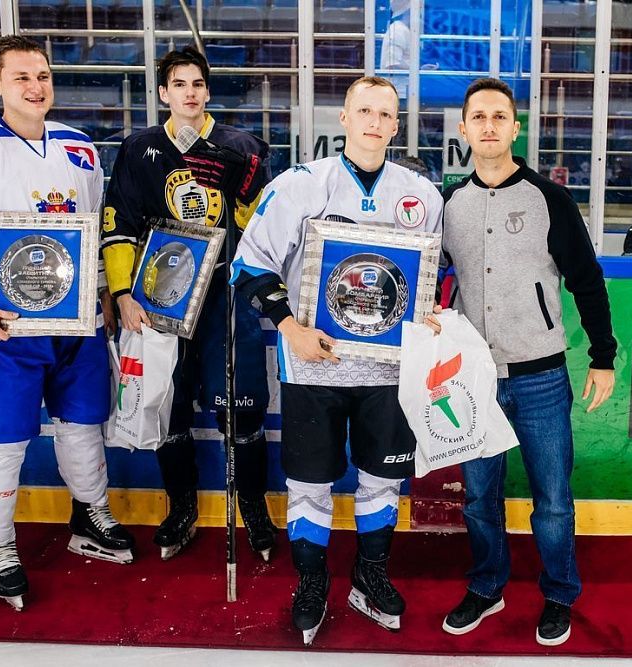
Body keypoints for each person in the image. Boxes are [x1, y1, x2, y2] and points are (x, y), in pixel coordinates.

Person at [231, 76, 443, 645]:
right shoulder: (300, 185)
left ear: (396, 126)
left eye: (386, 114)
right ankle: (312, 579)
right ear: (344, 118)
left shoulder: (422, 195)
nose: (375, 122)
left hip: (389, 371)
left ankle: (369, 573)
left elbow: (430, 279)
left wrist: (432, 315)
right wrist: (289, 327)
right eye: (364, 111)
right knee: (309, 482)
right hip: (313, 366)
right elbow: (248, 267)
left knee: (383, 478)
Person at [0, 35, 134, 611]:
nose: (35, 86)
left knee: (83, 426)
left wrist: (102, 293)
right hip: (4, 327)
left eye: (42, 75)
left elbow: (91, 229)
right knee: (2, 443)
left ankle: (90, 513)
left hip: (76, 324)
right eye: (21, 76)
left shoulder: (79, 147)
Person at [437, 78, 617, 646]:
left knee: (553, 500)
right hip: (474, 380)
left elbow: (587, 281)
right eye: (479, 117)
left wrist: (603, 356)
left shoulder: (549, 200)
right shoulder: (450, 205)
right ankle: (487, 585)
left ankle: (559, 593)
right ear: (463, 129)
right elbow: (427, 281)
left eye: (499, 116)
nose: (489, 126)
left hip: (541, 376)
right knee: (479, 498)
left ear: (516, 128)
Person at [100, 47, 278, 561]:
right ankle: (181, 510)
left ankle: (254, 508)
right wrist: (122, 293)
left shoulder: (241, 146)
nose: (190, 92)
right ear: (163, 93)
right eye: (179, 84)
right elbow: (119, 223)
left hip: (225, 294)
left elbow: (262, 229)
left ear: (208, 90)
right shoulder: (139, 149)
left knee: (242, 407)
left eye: (197, 83)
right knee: (168, 407)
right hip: (161, 296)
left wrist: (246, 189)